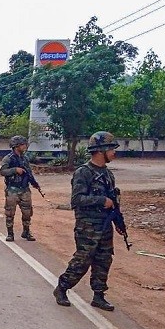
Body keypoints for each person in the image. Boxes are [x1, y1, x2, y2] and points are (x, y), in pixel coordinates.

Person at [53, 131, 122, 311]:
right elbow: (76, 200)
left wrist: (118, 224)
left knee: (104, 259)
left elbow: (113, 203)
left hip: (105, 224)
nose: (115, 152)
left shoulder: (108, 175)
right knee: (83, 259)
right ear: (101, 150)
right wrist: (101, 201)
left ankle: (98, 295)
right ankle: (62, 287)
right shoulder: (83, 173)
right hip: (88, 225)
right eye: (112, 148)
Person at [0, 135, 41, 242]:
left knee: (27, 212)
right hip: (12, 189)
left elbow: (29, 173)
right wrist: (15, 170)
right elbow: (2, 171)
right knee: (10, 213)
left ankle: (26, 231)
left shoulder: (24, 158)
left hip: (24, 189)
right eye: (23, 144)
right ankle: (10, 234)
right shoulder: (8, 158)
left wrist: (34, 183)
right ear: (16, 146)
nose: (25, 146)